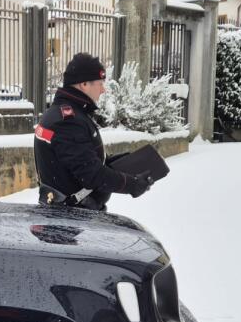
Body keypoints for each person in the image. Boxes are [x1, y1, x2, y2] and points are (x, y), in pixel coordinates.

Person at [34, 53, 153, 211]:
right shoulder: (68, 121)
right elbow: (91, 175)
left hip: (71, 214)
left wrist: (113, 163)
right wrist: (132, 185)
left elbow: (77, 162)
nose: (103, 90)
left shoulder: (64, 113)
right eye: (100, 83)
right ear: (84, 84)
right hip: (72, 220)